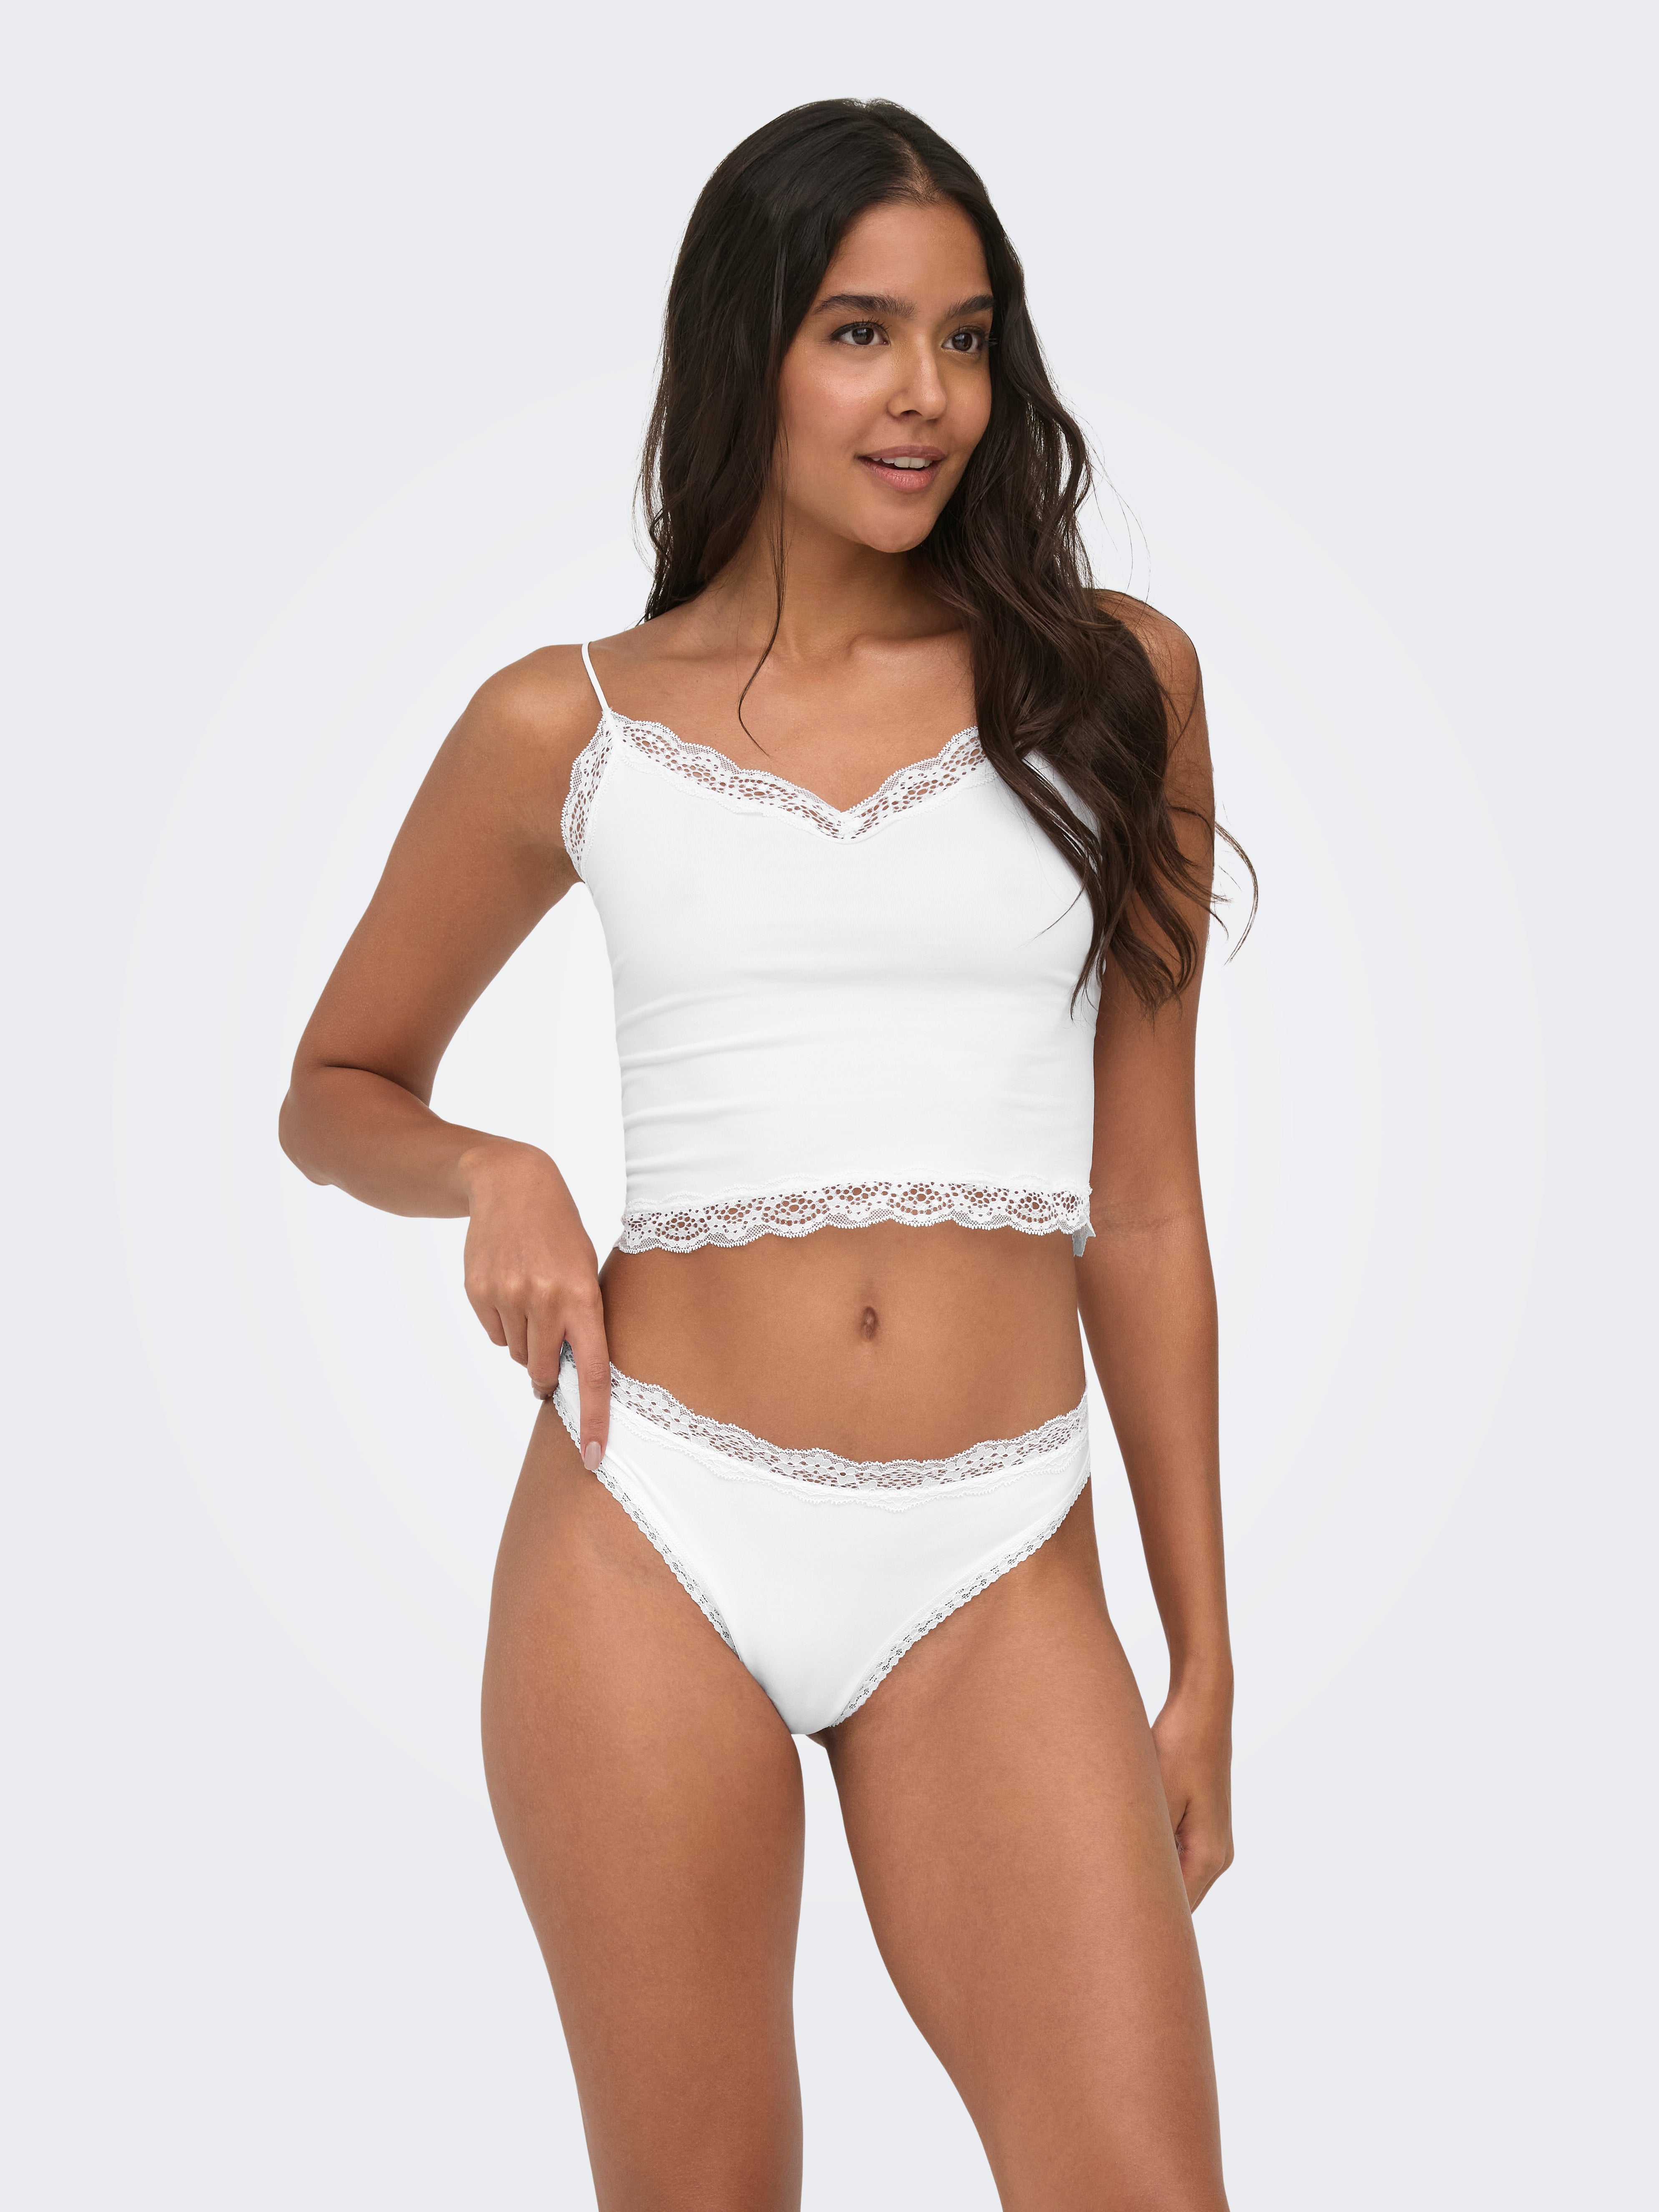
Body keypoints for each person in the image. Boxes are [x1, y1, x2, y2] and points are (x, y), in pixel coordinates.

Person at [281, 96, 1243, 2212]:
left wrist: (1200, 1661)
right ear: (748, 352)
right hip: (658, 1530)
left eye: (965, 338)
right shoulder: (568, 723)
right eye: (858, 332)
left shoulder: (1111, 690)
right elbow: (335, 1084)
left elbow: (1147, 1204)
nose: (925, 396)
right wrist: (495, 1171)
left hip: (997, 1554)